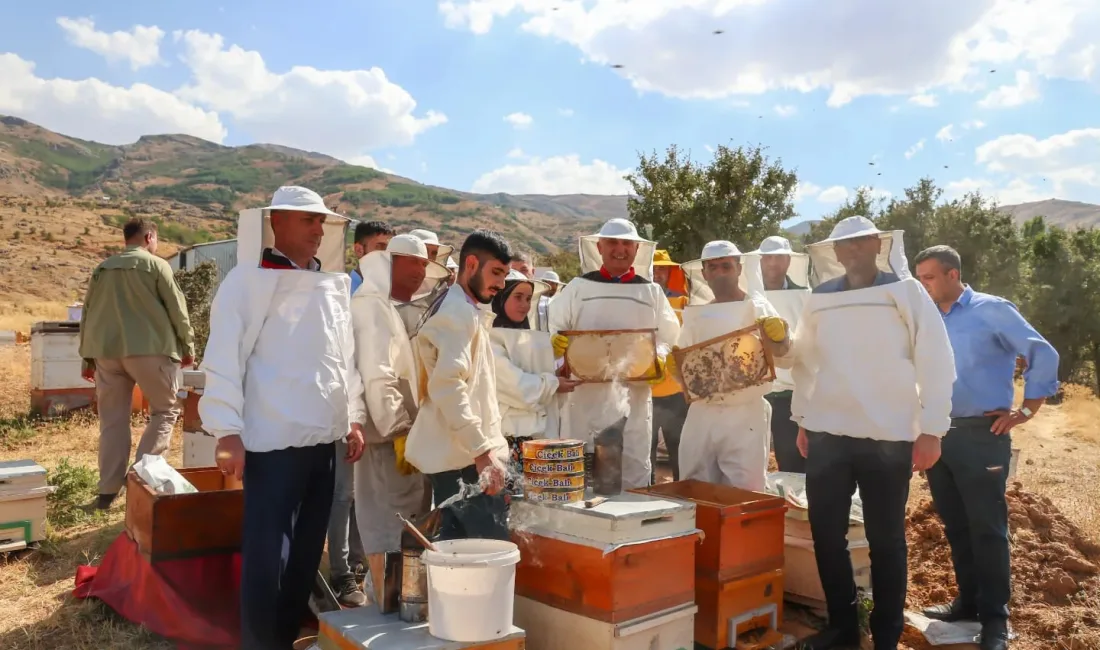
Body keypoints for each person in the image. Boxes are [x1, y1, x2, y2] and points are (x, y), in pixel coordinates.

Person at [200, 186, 366, 650]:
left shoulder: (331, 284)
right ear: (277, 222)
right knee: (268, 556)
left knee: (307, 554)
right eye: (308, 220)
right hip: (270, 443)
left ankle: (288, 637)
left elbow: (342, 357)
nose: (318, 229)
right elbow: (225, 358)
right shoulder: (246, 282)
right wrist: (227, 431)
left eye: (322, 222)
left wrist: (352, 416)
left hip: (324, 443)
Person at [790, 216, 955, 650]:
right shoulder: (820, 298)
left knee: (885, 540)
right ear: (837, 252)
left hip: (889, 435)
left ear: (877, 245)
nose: (854, 251)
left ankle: (885, 636)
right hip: (828, 433)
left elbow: (935, 358)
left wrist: (932, 430)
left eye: (862, 243)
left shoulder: (905, 291)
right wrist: (804, 418)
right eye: (846, 245)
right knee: (826, 534)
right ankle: (843, 629)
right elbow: (805, 361)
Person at [914, 245, 1059, 650]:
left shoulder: (991, 309)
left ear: (952, 274)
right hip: (937, 434)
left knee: (988, 529)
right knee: (956, 524)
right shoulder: (926, 319)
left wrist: (1026, 411)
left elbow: (1042, 353)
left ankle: (996, 622)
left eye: (928, 277)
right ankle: (968, 604)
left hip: (983, 434)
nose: (922, 286)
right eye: (919, 278)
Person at [351, 234, 448, 604]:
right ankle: (383, 609)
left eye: (426, 264)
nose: (422, 271)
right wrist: (397, 429)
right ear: (392, 262)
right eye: (416, 263)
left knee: (408, 527)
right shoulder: (372, 306)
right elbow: (378, 374)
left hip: (408, 438)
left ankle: (399, 606)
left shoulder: (388, 306)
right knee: (387, 530)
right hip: (387, 441)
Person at [548, 219, 681, 489]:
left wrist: (659, 358)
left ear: (636, 248)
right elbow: (554, 328)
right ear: (599, 247)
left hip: (634, 393)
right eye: (612, 242)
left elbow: (670, 335)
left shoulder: (651, 291)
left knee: (634, 465)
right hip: (584, 395)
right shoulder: (577, 288)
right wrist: (556, 347)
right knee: (583, 468)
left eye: (626, 243)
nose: (619, 249)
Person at [79, 217, 194, 511]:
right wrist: (188, 347)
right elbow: (177, 310)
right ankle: (140, 483)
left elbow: (88, 313)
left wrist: (87, 357)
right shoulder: (157, 266)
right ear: (149, 237)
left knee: (113, 422)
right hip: (151, 350)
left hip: (106, 353)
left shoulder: (102, 269)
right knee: (165, 410)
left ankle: (106, 492)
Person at [404, 230, 513, 512]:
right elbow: (447, 386)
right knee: (479, 549)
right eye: (496, 272)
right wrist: (481, 451)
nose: (501, 284)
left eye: (505, 275)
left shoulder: (464, 308)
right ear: (472, 265)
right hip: (463, 461)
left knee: (459, 550)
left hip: (463, 456)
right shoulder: (458, 312)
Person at [673, 242, 791, 491]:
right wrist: (671, 365)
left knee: (744, 492)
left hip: (745, 412)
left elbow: (783, 353)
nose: (719, 272)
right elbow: (682, 362)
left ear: (739, 269)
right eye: (712, 267)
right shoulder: (697, 315)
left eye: (726, 266)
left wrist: (781, 337)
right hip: (702, 411)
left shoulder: (758, 307)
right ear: (704, 274)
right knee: (695, 487)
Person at [490, 270, 578, 470]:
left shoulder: (529, 336)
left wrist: (554, 360)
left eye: (528, 298)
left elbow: (535, 371)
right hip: (509, 437)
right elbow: (516, 386)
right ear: (500, 297)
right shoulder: (489, 339)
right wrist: (554, 384)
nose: (524, 305)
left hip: (538, 434)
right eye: (518, 297)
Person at [752, 235, 811, 473]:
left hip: (792, 395)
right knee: (752, 462)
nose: (773, 263)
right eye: (767, 257)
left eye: (779, 257)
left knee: (793, 462)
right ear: (759, 261)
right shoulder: (747, 297)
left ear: (789, 261)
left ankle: (796, 509)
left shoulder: (807, 295)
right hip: (755, 393)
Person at [650, 250, 690, 483]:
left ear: (669, 272)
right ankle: (647, 495)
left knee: (679, 448)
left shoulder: (682, 301)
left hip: (675, 388)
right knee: (646, 450)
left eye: (662, 268)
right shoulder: (640, 298)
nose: (658, 273)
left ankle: (681, 497)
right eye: (654, 268)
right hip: (645, 389)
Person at [349, 220, 394, 295]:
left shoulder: (386, 294)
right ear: (359, 250)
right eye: (380, 247)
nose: (387, 254)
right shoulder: (341, 294)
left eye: (390, 249)